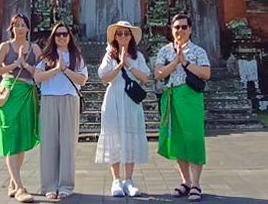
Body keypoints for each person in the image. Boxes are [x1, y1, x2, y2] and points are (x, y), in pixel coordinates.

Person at [154, 13, 211, 202]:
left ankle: (196, 184)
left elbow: (206, 73)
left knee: (193, 137)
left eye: (184, 27)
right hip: (171, 96)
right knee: (176, 138)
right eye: (176, 27)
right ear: (171, 30)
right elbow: (159, 74)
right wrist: (175, 61)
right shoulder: (164, 51)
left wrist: (185, 62)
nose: (180, 30)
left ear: (190, 30)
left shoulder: (197, 51)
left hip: (191, 97)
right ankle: (186, 181)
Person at [0, 13, 41, 203]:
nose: (19, 28)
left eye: (22, 25)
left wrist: (26, 65)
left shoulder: (34, 48)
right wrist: (14, 64)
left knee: (21, 139)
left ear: (28, 28)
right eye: (16, 25)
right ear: (11, 28)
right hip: (9, 93)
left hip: (27, 94)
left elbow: (42, 71)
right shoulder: (5, 47)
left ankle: (13, 181)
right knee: (11, 138)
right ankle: (19, 187)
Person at [95, 20, 150, 197]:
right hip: (113, 98)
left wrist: (129, 63)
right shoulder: (109, 56)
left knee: (130, 137)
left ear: (131, 37)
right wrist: (119, 64)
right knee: (114, 138)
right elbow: (104, 78)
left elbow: (145, 77)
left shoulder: (138, 56)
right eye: (120, 34)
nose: (123, 37)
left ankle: (129, 180)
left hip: (130, 100)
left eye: (127, 34)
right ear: (115, 37)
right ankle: (116, 180)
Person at [34, 23, 88, 200]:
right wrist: (56, 69)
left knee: (68, 143)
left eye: (64, 34)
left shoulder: (76, 57)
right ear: (53, 37)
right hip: (49, 98)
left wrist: (65, 69)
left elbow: (82, 80)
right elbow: (38, 77)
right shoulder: (46, 57)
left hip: (69, 99)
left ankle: (66, 185)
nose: (62, 37)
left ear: (69, 36)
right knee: (49, 143)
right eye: (58, 35)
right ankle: (49, 185)